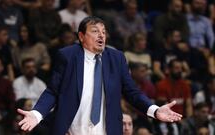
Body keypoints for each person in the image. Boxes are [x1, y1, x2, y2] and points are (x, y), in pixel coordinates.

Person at [17, 16, 182, 135]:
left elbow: (132, 92)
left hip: (106, 130)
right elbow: (53, 91)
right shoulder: (67, 56)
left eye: (104, 31)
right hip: (72, 130)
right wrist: (36, 113)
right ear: (81, 36)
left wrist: (154, 110)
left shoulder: (117, 58)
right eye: (95, 31)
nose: (101, 35)